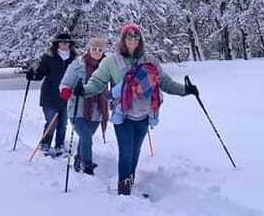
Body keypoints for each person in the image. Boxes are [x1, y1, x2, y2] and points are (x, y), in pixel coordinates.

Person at [75, 23, 199, 196]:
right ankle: (124, 189)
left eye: (136, 36)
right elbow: (97, 82)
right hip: (123, 115)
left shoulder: (150, 60)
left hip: (145, 114)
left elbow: (165, 82)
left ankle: (129, 182)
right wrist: (84, 90)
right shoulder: (111, 61)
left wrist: (185, 90)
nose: (132, 40)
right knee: (126, 152)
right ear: (123, 39)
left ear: (140, 40)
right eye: (128, 36)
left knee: (135, 151)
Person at [59, 37, 110, 175]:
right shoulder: (77, 65)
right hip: (77, 110)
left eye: (100, 50)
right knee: (87, 138)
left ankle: (78, 158)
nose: (97, 52)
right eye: (94, 49)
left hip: (97, 111)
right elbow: (65, 83)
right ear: (89, 49)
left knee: (85, 138)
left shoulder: (107, 68)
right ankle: (87, 165)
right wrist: (67, 91)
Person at [26, 32, 78, 156]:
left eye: (67, 43)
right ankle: (45, 144)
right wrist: (32, 75)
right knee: (51, 122)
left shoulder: (75, 59)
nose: (64, 45)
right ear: (57, 44)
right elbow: (40, 74)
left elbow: (78, 76)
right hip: (50, 95)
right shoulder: (48, 57)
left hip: (66, 96)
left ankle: (60, 145)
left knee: (63, 123)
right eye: (62, 43)